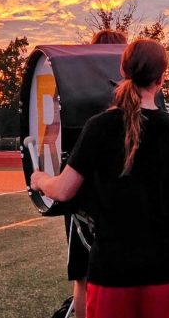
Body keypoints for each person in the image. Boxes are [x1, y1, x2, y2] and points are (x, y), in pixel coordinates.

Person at [32, 39, 169, 318]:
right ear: (162, 76)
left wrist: (40, 179)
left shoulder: (99, 126)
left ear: (122, 70)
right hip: (165, 265)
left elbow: (64, 190)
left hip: (112, 268)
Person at [60, 30, 129, 318]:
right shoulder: (133, 95)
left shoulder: (75, 91)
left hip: (83, 194)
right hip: (123, 194)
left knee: (84, 275)